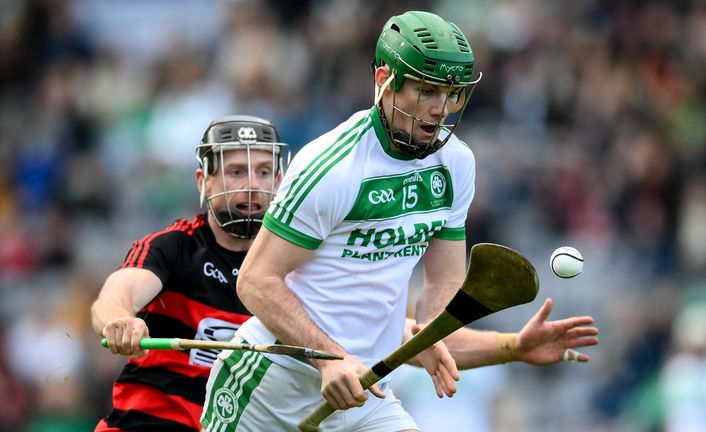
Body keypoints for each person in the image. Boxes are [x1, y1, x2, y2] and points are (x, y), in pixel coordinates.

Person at [201, 11, 598, 432]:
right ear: (384, 79)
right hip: (268, 390)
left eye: (453, 95)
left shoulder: (456, 164)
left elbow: (441, 285)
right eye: (427, 91)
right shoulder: (332, 167)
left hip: (367, 394)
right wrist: (326, 360)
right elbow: (255, 281)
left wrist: (490, 343)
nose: (440, 110)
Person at [90, 115, 290, 431]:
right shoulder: (176, 246)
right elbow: (118, 293)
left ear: (278, 183)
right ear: (203, 181)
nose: (252, 185)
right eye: (236, 172)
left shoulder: (298, 266)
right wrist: (121, 320)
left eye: (263, 172)